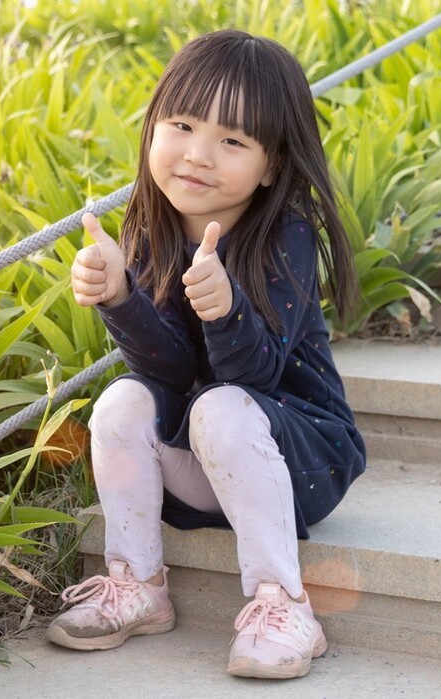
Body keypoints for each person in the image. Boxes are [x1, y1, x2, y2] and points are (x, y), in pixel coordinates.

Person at [45, 29, 367, 680]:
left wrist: (225, 308)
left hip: (298, 457)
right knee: (122, 400)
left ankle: (285, 602)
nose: (198, 155)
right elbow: (162, 372)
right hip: (206, 462)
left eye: (232, 140)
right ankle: (137, 582)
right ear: (153, 126)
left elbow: (258, 376)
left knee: (221, 406)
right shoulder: (149, 227)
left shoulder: (287, 237)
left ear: (271, 163)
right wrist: (121, 296)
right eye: (183, 124)